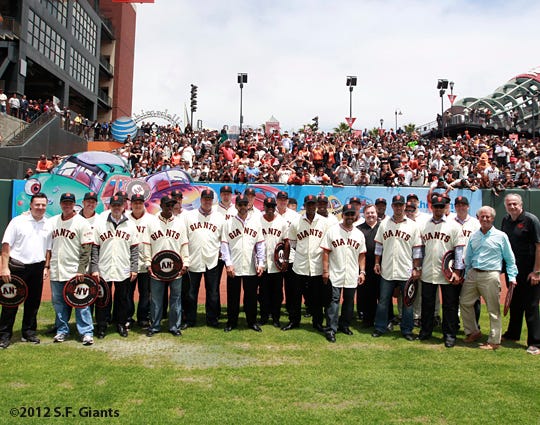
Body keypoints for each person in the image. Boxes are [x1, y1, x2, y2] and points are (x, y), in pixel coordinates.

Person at [461, 206, 518, 350]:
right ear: (478, 218)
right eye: (482, 217)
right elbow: (468, 257)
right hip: (473, 273)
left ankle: (494, 341)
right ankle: (473, 331)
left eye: (488, 217)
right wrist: (467, 274)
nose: (485, 219)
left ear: (493, 218)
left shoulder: (501, 236)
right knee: (465, 302)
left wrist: (512, 277)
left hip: (491, 275)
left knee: (493, 309)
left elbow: (510, 259)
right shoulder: (474, 236)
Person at [0, 193, 49, 349]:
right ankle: (4, 336)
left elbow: (48, 249)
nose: (40, 208)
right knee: (10, 303)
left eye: (43, 205)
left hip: (37, 267)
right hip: (17, 266)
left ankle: (28, 332)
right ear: (31, 205)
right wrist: (4, 267)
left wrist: (46, 266)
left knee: (33, 303)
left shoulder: (48, 224)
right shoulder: (17, 221)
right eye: (37, 204)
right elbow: (6, 246)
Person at [46, 193, 94, 345]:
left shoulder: (82, 222)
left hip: (75, 270)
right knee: (59, 303)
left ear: (74, 204)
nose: (67, 205)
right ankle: (62, 330)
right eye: (64, 203)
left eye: (70, 203)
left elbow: (87, 248)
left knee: (81, 303)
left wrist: (81, 269)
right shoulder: (53, 221)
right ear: (60, 204)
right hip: (57, 269)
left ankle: (86, 332)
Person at [372, 195, 422, 341]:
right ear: (392, 206)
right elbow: (379, 246)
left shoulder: (413, 225)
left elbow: (417, 250)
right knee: (383, 301)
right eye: (396, 205)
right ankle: (380, 327)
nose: (399, 207)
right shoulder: (384, 224)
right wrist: (376, 262)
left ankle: (407, 330)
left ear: (405, 206)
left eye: (401, 205)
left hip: (406, 269)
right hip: (387, 269)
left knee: (408, 302)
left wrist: (417, 268)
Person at [417, 195, 464, 348]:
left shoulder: (454, 226)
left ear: (445, 208)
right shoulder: (424, 225)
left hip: (447, 273)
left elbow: (458, 250)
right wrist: (417, 267)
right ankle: (426, 331)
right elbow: (420, 249)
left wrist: (457, 271)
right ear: (432, 207)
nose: (438, 209)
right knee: (427, 304)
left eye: (441, 207)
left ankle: (449, 335)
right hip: (428, 271)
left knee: (450, 305)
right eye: (436, 206)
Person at [90, 195, 139, 338]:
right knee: (103, 300)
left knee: (122, 299)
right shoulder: (100, 224)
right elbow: (95, 248)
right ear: (109, 206)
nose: (117, 208)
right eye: (114, 205)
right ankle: (102, 326)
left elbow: (134, 249)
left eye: (119, 205)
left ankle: (121, 324)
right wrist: (94, 268)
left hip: (122, 267)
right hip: (104, 268)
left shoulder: (130, 225)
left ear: (123, 206)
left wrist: (134, 268)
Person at [143, 194, 189, 337]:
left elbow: (184, 245)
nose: (170, 208)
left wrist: (186, 263)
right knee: (156, 298)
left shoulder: (179, 223)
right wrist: (148, 263)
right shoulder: (152, 222)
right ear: (161, 206)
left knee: (176, 298)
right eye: (167, 205)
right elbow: (146, 245)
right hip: (157, 268)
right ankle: (155, 326)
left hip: (176, 268)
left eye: (172, 205)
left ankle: (174, 326)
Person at [282, 195, 329, 332]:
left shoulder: (324, 222)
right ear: (305, 206)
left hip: (317, 266)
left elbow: (327, 244)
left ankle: (317, 322)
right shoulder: (296, 222)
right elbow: (292, 243)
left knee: (316, 298)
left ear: (316, 205)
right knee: (296, 296)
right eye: (308, 204)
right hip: (299, 265)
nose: (311, 207)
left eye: (313, 204)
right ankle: (294, 321)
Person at [500, 194, 540, 355]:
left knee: (531, 306)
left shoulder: (531, 220)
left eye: (515, 204)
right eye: (509, 204)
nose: (512, 207)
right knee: (515, 303)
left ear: (521, 204)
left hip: (530, 271)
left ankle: (535, 342)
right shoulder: (506, 220)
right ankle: (512, 334)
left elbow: (539, 246)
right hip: (513, 270)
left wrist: (537, 271)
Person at [321, 204, 366, 343]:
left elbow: (362, 254)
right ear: (343, 215)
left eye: (352, 214)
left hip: (352, 273)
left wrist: (362, 271)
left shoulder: (359, 234)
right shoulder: (332, 231)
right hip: (335, 272)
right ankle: (331, 329)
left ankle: (344, 326)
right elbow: (326, 252)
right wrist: (325, 271)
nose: (350, 217)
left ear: (355, 216)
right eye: (347, 214)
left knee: (349, 302)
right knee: (333, 302)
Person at [220, 194, 265, 332]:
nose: (243, 207)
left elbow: (260, 244)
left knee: (251, 296)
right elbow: (224, 245)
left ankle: (251, 322)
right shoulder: (228, 223)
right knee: (233, 296)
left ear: (249, 206)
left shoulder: (256, 222)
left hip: (250, 265)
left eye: (245, 204)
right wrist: (228, 263)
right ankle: (231, 322)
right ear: (236, 206)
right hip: (234, 265)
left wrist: (261, 262)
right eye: (240, 204)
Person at [184, 189, 225, 328]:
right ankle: (190, 320)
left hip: (212, 260)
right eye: (205, 198)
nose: (207, 201)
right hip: (193, 259)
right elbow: (184, 238)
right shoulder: (190, 216)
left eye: (210, 199)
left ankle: (212, 319)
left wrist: (222, 254)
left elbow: (223, 239)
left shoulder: (219, 217)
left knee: (213, 293)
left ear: (213, 200)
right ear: (200, 200)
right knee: (191, 293)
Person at [260, 196, 289, 327]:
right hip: (263, 264)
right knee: (263, 292)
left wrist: (285, 261)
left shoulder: (282, 222)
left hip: (277, 264)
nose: (270, 209)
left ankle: (276, 318)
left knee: (277, 292)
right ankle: (264, 317)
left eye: (272, 207)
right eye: (268, 207)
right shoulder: (258, 220)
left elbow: (286, 242)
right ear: (264, 207)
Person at [126, 193, 153, 329]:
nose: (137, 205)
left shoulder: (151, 220)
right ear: (131, 204)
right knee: (128, 293)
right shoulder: (125, 219)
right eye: (135, 202)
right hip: (128, 263)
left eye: (140, 202)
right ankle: (128, 317)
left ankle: (143, 317)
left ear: (144, 204)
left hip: (145, 262)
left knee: (145, 293)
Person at [356, 203, 380, 327]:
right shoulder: (359, 229)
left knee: (382, 295)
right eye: (368, 213)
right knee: (367, 295)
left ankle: (385, 319)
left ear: (377, 214)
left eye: (373, 212)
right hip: (364, 266)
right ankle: (368, 320)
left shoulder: (383, 227)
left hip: (380, 266)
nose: (370, 215)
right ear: (364, 214)